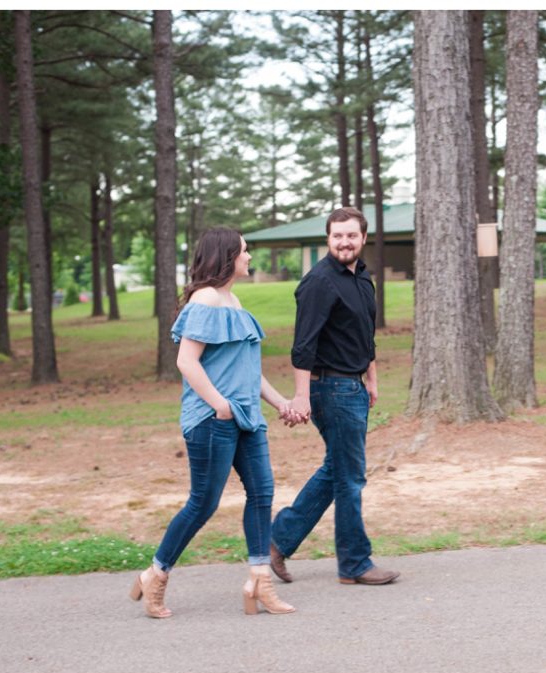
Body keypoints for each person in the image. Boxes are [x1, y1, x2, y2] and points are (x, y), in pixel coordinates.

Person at [130, 228, 296, 618]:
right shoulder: (205, 299)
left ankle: (259, 582)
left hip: (246, 419)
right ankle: (156, 574)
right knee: (203, 503)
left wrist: (281, 403)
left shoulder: (233, 301)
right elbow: (186, 362)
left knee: (262, 493)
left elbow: (248, 372)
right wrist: (220, 405)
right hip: (211, 419)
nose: (250, 256)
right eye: (244, 250)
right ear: (227, 255)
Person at [270, 207, 400, 586]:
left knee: (337, 470)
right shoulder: (319, 282)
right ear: (328, 238)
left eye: (351, 235)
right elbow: (302, 346)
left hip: (355, 385)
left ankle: (277, 540)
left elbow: (365, 335)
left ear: (363, 238)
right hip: (330, 388)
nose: (344, 242)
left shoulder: (362, 278)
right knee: (350, 478)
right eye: (337, 235)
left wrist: (371, 379)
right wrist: (301, 396)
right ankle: (355, 563)